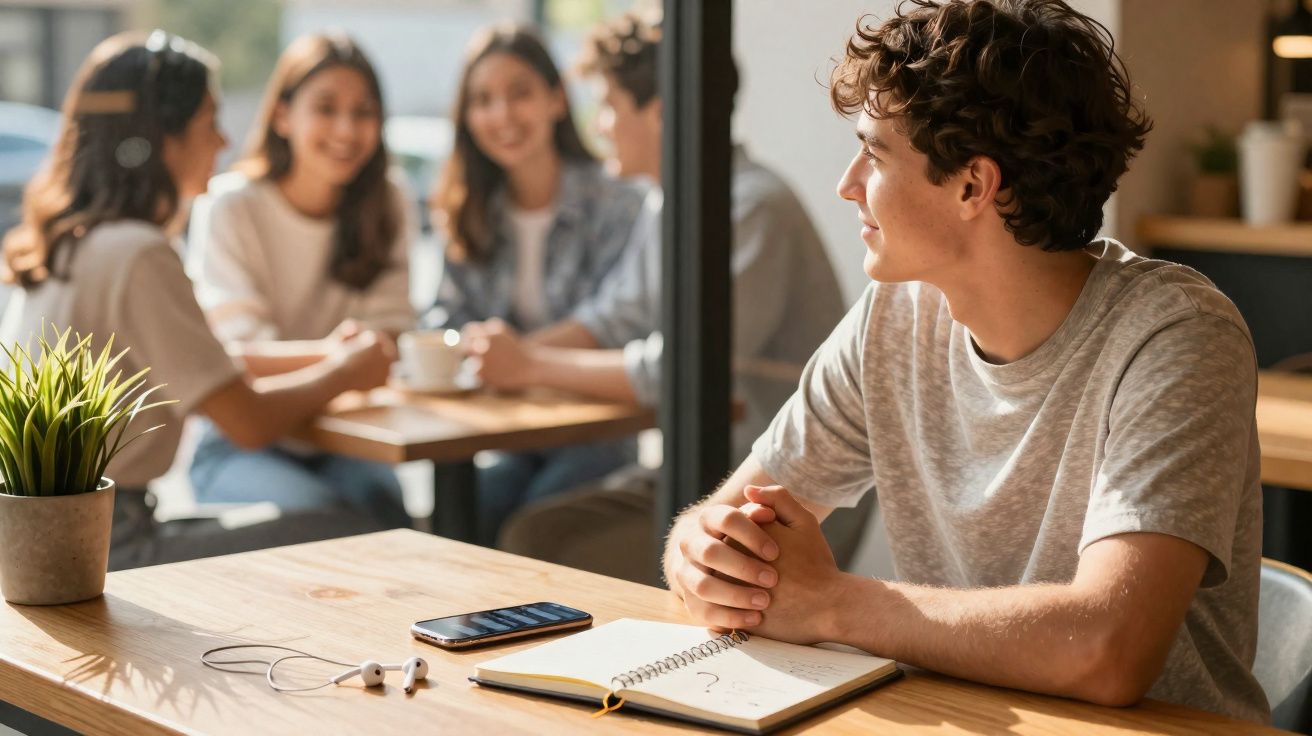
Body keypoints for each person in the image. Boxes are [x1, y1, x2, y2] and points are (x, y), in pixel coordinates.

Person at [662, 0, 1269, 724]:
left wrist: (832, 602)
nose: (847, 183)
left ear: (973, 186)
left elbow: (1109, 649)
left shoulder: (1177, 337)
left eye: (875, 153)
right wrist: (702, 554)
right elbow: (724, 527)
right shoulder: (895, 318)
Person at [475, 11, 860, 584]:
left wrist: (529, 363)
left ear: (659, 113)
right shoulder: (666, 201)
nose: (599, 125)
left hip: (786, 493)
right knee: (504, 516)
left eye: (608, 106)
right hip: (700, 470)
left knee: (535, 539)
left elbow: (681, 370)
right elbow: (614, 315)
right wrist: (499, 357)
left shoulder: (753, 208)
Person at [0, 31, 397, 570]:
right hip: (102, 549)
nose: (223, 141)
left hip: (51, 542)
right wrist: (345, 369)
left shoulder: (74, 241)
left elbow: (222, 371)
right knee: (364, 537)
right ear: (164, 137)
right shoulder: (137, 254)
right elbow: (249, 421)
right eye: (209, 121)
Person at [427, 25, 648, 545]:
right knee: (452, 530)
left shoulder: (617, 200)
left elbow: (614, 322)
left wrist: (516, 357)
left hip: (594, 433)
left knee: (526, 529)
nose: (501, 115)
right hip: (505, 434)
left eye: (519, 93)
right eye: (483, 100)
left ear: (555, 99)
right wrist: (470, 350)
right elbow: (443, 320)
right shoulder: (469, 209)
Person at [186, 33, 413, 529]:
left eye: (363, 112)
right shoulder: (231, 205)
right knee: (333, 523)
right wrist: (344, 359)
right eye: (326, 108)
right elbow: (238, 360)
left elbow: (389, 341)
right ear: (284, 115)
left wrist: (360, 359)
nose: (346, 129)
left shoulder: (388, 202)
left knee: (396, 524)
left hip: (349, 441)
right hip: (240, 448)